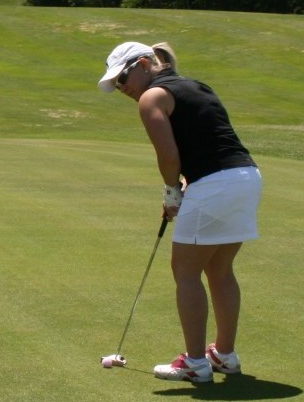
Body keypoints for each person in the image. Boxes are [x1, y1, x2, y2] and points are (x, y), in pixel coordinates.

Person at [97, 41, 261, 383]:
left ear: (144, 64)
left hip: (216, 184)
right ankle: (225, 356)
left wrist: (172, 191)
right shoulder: (194, 85)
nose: (121, 86)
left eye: (123, 76)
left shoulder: (151, 98)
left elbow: (169, 155)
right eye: (116, 82)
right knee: (220, 268)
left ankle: (196, 363)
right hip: (245, 177)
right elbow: (206, 142)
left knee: (186, 272)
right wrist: (187, 183)